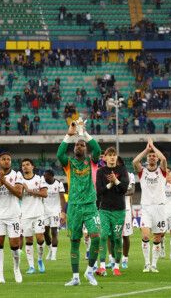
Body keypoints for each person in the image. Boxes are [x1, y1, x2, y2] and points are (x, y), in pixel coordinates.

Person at [56, 118, 102, 286]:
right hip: (74, 207)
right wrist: (69, 135)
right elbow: (59, 154)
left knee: (96, 237)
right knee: (74, 241)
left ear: (85, 148)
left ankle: (90, 271)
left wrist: (84, 133)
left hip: (90, 205)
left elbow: (97, 149)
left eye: (82, 145)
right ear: (74, 148)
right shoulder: (68, 164)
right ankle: (75, 277)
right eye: (77, 145)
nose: (79, 146)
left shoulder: (92, 162)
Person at [0, 152, 25, 284]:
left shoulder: (17, 175)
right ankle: (0, 276)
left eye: (8, 159)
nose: (7, 161)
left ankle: (16, 269)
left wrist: (4, 182)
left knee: (15, 246)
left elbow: (19, 193)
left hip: (13, 215)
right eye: (3, 159)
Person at [133, 139, 168, 273]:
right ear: (147, 159)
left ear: (156, 159)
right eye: (150, 156)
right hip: (146, 207)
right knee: (146, 236)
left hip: (160, 207)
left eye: (154, 156)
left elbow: (163, 159)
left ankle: (154, 264)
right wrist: (146, 150)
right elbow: (135, 162)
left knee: (158, 237)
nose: (152, 157)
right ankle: (147, 264)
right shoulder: (142, 172)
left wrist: (153, 147)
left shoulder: (162, 171)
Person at [95, 147, 129, 276]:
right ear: (105, 158)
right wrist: (110, 184)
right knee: (103, 236)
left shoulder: (123, 170)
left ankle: (116, 266)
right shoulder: (100, 172)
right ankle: (102, 266)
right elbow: (99, 191)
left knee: (116, 238)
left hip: (119, 210)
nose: (112, 157)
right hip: (104, 209)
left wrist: (116, 180)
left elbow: (124, 189)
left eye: (114, 155)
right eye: (109, 155)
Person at [20, 159, 48, 274]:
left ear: (32, 166)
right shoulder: (19, 181)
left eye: (27, 165)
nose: (25, 167)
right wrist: (21, 191)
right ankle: (31, 266)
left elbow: (44, 194)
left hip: (38, 213)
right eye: (23, 165)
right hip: (25, 214)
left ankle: (40, 259)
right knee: (28, 239)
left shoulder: (39, 179)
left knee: (40, 238)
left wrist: (29, 190)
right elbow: (18, 195)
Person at [42, 169, 66, 261]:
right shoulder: (42, 183)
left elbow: (62, 198)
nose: (44, 177)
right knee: (45, 232)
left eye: (46, 175)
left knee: (54, 232)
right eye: (44, 176)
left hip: (55, 211)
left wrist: (63, 211)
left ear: (51, 176)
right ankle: (50, 250)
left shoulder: (59, 184)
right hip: (44, 211)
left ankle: (54, 255)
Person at [121, 164, 136, 269]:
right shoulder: (110, 174)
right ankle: (112, 259)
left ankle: (125, 259)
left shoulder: (130, 175)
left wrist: (118, 191)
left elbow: (132, 191)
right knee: (110, 235)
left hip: (126, 209)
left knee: (126, 236)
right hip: (112, 208)